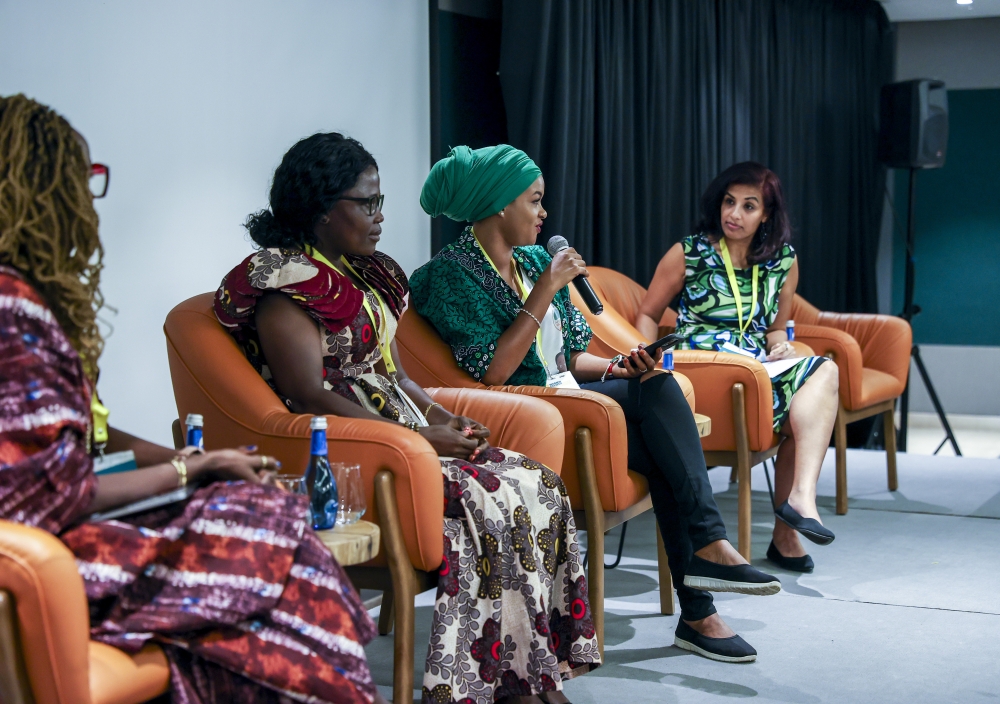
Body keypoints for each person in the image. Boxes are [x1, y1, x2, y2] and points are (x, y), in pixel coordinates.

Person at [0, 95, 382, 704]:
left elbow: (84, 444)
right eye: (84, 180)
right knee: (280, 539)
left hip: (62, 539)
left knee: (268, 539)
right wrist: (192, 467)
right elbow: (52, 493)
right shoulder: (12, 310)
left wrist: (202, 469)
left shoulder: (24, 303)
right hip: (57, 558)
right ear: (38, 191)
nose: (89, 200)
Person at [215, 133, 600, 704]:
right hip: (356, 450)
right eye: (365, 203)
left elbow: (389, 374)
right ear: (321, 211)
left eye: (380, 201)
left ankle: (528, 672)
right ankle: (481, 685)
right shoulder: (283, 283)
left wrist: (443, 415)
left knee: (536, 483)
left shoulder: (357, 273)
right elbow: (307, 393)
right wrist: (421, 438)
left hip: (402, 433)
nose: (380, 216)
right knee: (487, 500)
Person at [410, 145, 782, 665]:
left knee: (655, 392)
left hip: (573, 394)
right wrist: (544, 290)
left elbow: (573, 354)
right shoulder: (446, 276)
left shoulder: (536, 259)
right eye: (534, 202)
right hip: (525, 409)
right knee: (660, 413)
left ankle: (700, 598)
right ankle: (705, 571)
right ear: (498, 204)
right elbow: (492, 369)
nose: (544, 215)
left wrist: (614, 368)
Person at [635, 161, 840, 573]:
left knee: (822, 375)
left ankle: (798, 507)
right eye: (730, 202)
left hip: (756, 368)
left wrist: (781, 346)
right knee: (804, 402)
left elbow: (777, 328)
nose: (735, 214)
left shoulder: (782, 261)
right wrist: (642, 352)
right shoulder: (690, 251)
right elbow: (648, 312)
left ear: (767, 214)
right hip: (700, 369)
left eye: (749, 206)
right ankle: (788, 527)